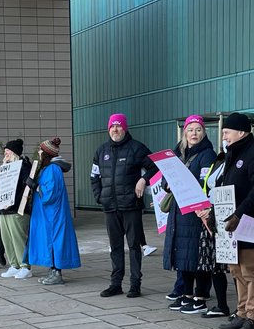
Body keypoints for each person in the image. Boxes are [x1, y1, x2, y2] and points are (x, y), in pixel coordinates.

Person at [215, 112, 254, 329]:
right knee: (236, 270)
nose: (225, 137)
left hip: (249, 222)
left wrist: (240, 213)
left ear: (241, 132)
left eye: (227, 132)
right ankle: (241, 312)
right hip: (230, 224)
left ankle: (253, 317)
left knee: (250, 271)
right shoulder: (231, 154)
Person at [91, 113, 155, 298]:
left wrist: (143, 180)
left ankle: (135, 284)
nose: (115, 130)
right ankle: (115, 284)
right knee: (115, 247)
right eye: (112, 127)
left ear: (125, 128)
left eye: (118, 126)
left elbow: (154, 166)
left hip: (131, 206)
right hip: (110, 206)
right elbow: (94, 177)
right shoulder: (101, 151)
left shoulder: (137, 148)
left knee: (134, 247)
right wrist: (99, 197)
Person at [162, 115, 217, 314]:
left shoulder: (208, 154)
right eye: (190, 129)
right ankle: (185, 294)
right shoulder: (178, 153)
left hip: (197, 213)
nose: (194, 133)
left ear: (204, 132)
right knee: (182, 255)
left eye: (198, 129)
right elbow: (166, 179)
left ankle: (200, 297)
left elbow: (206, 183)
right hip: (179, 211)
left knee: (198, 256)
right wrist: (167, 184)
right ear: (185, 132)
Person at [25, 137, 81, 285]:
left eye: (41, 150)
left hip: (52, 216)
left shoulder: (52, 169)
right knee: (51, 242)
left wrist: (35, 186)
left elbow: (50, 194)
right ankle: (52, 271)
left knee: (54, 242)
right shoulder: (49, 169)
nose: (38, 152)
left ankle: (56, 273)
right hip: (49, 215)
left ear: (46, 153)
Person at [195, 144, 233, 318]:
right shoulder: (218, 161)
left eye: (227, 133)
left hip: (228, 217)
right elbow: (206, 187)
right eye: (223, 134)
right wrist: (203, 208)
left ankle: (244, 310)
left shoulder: (237, 160)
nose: (224, 138)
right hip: (210, 218)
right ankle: (221, 305)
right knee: (215, 265)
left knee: (235, 267)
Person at [0, 139, 33, 280]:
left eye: (8, 151)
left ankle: (25, 266)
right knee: (7, 239)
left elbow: (28, 184)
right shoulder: (4, 167)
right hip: (3, 209)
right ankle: (14, 264)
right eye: (5, 151)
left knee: (18, 238)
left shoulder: (23, 166)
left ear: (15, 153)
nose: (5, 153)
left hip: (17, 208)